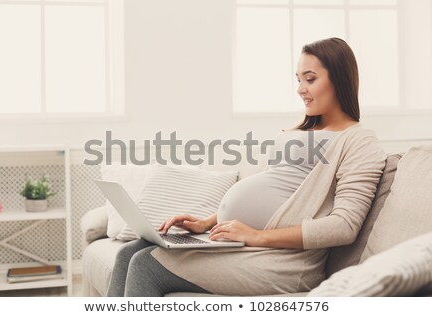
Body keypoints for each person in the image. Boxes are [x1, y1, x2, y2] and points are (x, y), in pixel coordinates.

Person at [106, 37, 387, 297]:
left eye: (310, 79)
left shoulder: (359, 141)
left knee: (146, 265)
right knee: (129, 253)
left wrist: (256, 236)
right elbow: (276, 188)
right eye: (298, 79)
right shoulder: (299, 132)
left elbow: (344, 226)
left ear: (339, 79)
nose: (300, 89)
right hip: (243, 245)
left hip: (281, 262)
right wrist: (206, 222)